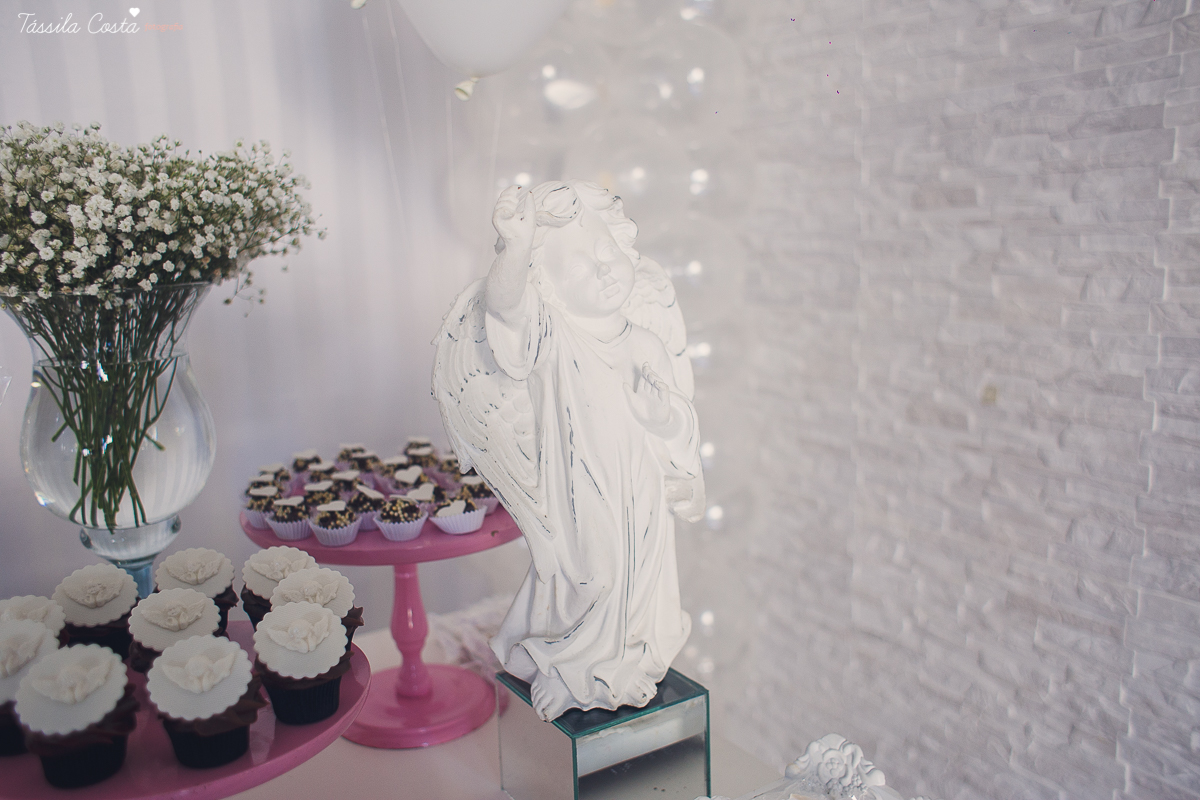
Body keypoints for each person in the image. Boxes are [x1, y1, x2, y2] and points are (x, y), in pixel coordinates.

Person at [433, 180, 705, 720]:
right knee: (591, 576)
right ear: (549, 286)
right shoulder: (554, 335)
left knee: (638, 583)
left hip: (641, 491)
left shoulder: (644, 342)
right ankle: (574, 667)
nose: (604, 268)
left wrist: (663, 417)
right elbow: (505, 306)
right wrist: (516, 245)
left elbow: (680, 423)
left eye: (608, 253)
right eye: (581, 264)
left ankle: (625, 664)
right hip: (579, 493)